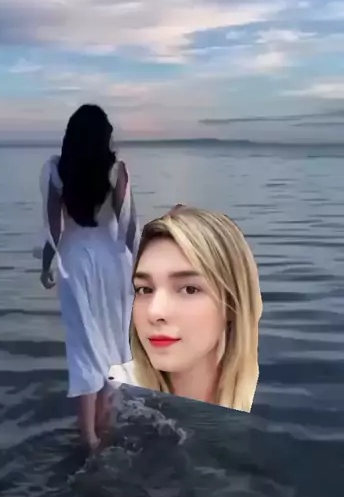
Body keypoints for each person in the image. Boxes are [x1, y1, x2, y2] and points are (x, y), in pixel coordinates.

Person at [39, 104, 140, 452]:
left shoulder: (56, 170)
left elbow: (54, 228)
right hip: (114, 264)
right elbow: (129, 227)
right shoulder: (116, 170)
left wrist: (46, 266)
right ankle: (103, 426)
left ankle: (88, 438)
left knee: (84, 349)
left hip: (75, 264)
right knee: (112, 345)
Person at [109, 204, 262, 413]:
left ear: (233, 304)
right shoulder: (113, 397)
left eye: (189, 289)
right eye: (145, 289)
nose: (155, 312)